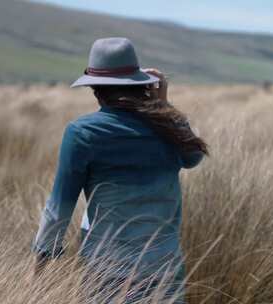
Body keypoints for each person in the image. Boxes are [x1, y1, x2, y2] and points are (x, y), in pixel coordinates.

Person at [30, 37, 208, 303]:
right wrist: (164, 104)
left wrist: (38, 268)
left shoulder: (83, 133)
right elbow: (193, 158)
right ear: (140, 85)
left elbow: (59, 207)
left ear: (95, 89)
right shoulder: (167, 128)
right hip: (165, 269)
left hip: (109, 273)